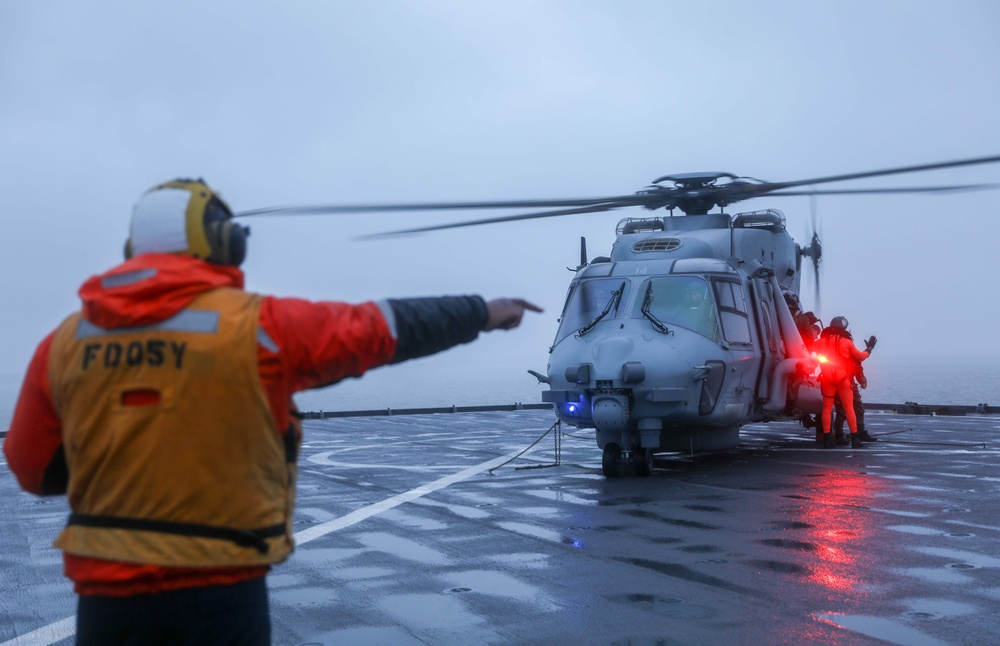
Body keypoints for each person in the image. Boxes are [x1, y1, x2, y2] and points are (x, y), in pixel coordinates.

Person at [3, 179, 543, 646]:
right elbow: (379, 328)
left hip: (106, 601)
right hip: (219, 592)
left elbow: (30, 466)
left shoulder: (64, 344)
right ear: (223, 241)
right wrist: (481, 313)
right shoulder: (257, 329)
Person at [817, 316, 875, 449]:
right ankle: (855, 439)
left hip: (826, 379)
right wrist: (869, 350)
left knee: (827, 409)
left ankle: (828, 439)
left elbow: (807, 349)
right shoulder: (846, 341)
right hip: (843, 379)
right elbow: (860, 357)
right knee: (849, 408)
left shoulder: (821, 341)